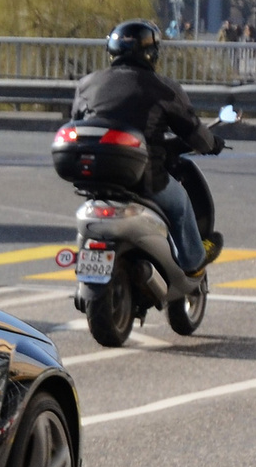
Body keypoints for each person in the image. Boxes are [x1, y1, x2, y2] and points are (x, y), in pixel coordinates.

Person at [70, 19, 225, 277]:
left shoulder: (87, 83)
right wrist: (213, 144)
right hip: (143, 176)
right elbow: (192, 130)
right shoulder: (163, 88)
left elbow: (76, 120)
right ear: (152, 52)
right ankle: (193, 260)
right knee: (180, 204)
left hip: (95, 177)